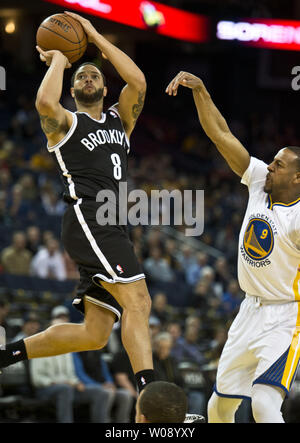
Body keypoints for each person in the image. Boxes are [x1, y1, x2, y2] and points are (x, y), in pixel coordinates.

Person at [0, 11, 154, 393]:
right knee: (139, 300)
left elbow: (137, 81)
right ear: (73, 90)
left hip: (112, 226)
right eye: (80, 77)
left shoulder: (121, 121)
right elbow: (43, 102)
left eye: (95, 76)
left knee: (95, 334)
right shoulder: (67, 124)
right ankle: (153, 398)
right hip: (91, 219)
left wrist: (94, 36)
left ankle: (7, 355)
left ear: (105, 89)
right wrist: (57, 60)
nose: (88, 79)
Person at [166, 71, 300, 423]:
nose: (269, 166)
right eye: (271, 161)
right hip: (248, 312)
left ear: (297, 178)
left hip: (286, 317)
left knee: (263, 405)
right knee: (218, 407)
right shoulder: (259, 182)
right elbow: (220, 133)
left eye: (279, 165)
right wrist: (202, 90)